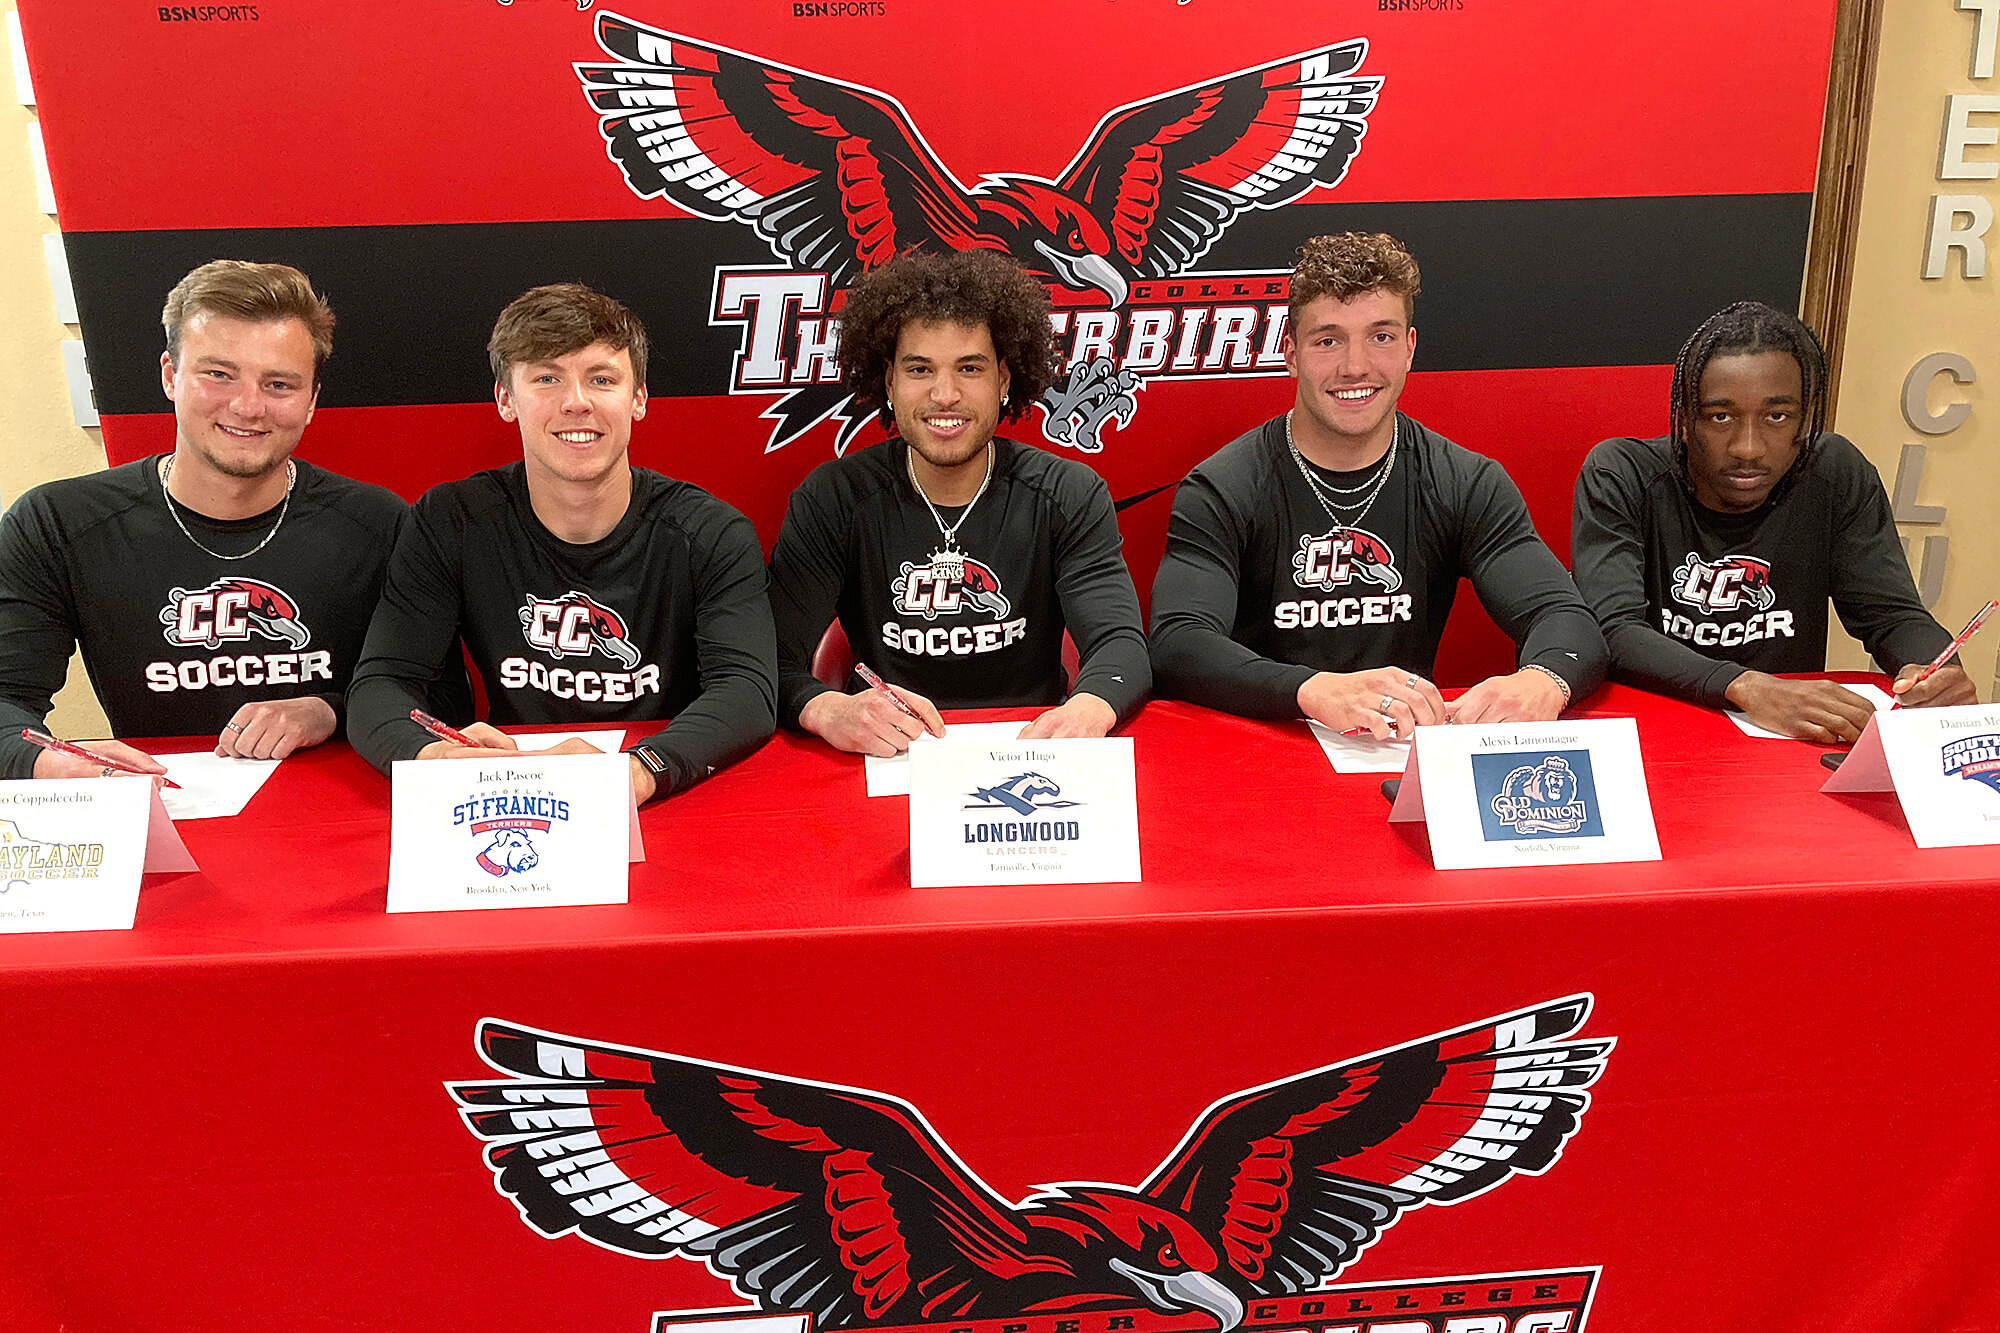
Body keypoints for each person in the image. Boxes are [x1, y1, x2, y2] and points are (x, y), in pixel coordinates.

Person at [1149, 232, 1605, 735]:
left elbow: (1565, 617)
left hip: (1399, 751)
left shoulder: (1465, 481)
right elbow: (1178, 641)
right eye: (1328, 340)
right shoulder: (1223, 486)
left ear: (1410, 347)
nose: (1355, 367)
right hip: (1263, 744)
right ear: (1292, 353)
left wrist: (1541, 681)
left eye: (1381, 336)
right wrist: (1313, 690)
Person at [345, 284, 776, 802]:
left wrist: (636, 773)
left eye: (602, 379)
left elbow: (747, 691)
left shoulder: (710, 532)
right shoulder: (450, 521)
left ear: (638, 398)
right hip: (504, 792)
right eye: (547, 378)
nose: (576, 403)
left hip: (664, 792)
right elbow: (380, 684)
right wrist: (436, 757)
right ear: (506, 398)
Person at [0, 259, 416, 779]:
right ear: (171, 377)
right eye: (218, 374)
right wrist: (50, 762)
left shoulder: (381, 524)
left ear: (311, 401)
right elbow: (5, 697)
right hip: (162, 815)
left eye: (279, 384)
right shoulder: (56, 524)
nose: (247, 406)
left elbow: (432, 695)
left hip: (342, 820)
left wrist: (329, 708)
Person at [766, 250, 1150, 757]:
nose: (944, 394)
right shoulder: (834, 499)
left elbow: (1120, 644)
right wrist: (827, 708)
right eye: (920, 369)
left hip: (1032, 752)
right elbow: (767, 661)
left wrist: (1088, 708)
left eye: (969, 368)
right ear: (889, 382)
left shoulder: (1068, 494)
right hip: (883, 757)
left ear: (1004, 380)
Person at [1571, 300, 1975, 742]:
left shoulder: (1836, 473)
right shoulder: (1622, 474)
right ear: (1684, 420)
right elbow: (1612, 631)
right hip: (1652, 724)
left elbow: (1890, 616)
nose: (1749, 447)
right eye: (1720, 416)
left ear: (1806, 419)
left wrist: (1938, 671)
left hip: (1785, 741)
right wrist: (1747, 687)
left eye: (1777, 417)